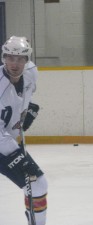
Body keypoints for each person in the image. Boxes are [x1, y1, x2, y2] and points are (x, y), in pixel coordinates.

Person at [0, 36, 47, 225]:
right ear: (3, 58)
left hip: (6, 141)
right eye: (10, 57)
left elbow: (25, 95)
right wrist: (17, 155)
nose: (15, 63)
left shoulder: (31, 72)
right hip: (3, 144)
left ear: (27, 60)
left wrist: (26, 110)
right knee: (36, 183)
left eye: (20, 59)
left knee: (37, 184)